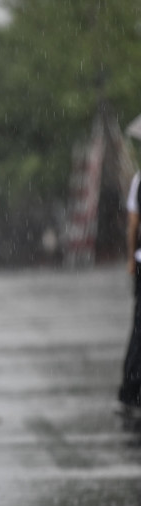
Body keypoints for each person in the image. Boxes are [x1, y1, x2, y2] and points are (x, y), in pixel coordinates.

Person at [118, 170, 141, 415]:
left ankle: (132, 388)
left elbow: (133, 223)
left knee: (139, 329)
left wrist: (131, 258)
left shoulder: (138, 179)